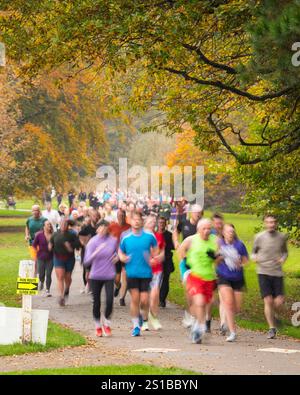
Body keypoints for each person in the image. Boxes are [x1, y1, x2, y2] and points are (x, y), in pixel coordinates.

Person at [179, 219, 222, 344]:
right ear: (198, 229)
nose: (207, 231)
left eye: (209, 228)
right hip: (195, 276)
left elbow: (219, 259)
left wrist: (215, 257)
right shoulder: (191, 240)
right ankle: (201, 327)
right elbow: (181, 250)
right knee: (199, 301)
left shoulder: (216, 240)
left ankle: (194, 324)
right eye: (204, 228)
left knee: (206, 304)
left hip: (209, 277)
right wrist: (185, 264)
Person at [118, 212, 159, 337]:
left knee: (145, 300)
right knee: (135, 299)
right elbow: (120, 252)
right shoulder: (126, 237)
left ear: (142, 222)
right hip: (132, 272)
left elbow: (156, 250)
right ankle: (136, 326)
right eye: (134, 219)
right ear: (131, 221)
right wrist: (123, 258)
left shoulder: (149, 236)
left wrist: (153, 258)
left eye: (138, 220)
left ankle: (141, 315)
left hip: (146, 272)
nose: (136, 222)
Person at [252, 214, 288, 339]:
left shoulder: (282, 237)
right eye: (268, 222)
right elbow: (253, 252)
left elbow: (285, 252)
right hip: (263, 271)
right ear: (265, 223)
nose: (271, 224)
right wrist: (254, 258)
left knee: (279, 302)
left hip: (277, 272)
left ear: (276, 223)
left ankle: (275, 316)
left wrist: (282, 259)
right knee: (268, 300)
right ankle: (272, 328)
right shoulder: (259, 237)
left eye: (273, 222)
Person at [83, 220, 118, 337]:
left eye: (105, 227)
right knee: (96, 302)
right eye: (101, 227)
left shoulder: (112, 241)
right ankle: (98, 326)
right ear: (97, 229)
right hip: (95, 275)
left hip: (109, 274)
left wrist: (116, 258)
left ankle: (106, 323)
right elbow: (86, 261)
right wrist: (96, 253)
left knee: (109, 301)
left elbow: (117, 254)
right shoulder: (92, 242)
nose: (103, 229)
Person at [173, 204, 203, 329]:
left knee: (198, 291)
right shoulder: (184, 222)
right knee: (189, 290)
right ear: (191, 213)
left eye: (200, 213)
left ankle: (194, 315)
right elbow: (176, 231)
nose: (198, 215)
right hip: (185, 262)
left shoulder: (202, 227)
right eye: (196, 212)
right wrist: (176, 242)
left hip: (199, 263)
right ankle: (191, 313)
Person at [217, 224, 249, 342]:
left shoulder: (239, 245)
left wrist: (240, 264)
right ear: (224, 233)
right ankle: (232, 332)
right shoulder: (219, 243)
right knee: (228, 304)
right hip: (224, 276)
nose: (230, 233)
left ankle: (229, 323)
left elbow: (246, 260)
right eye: (228, 231)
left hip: (238, 278)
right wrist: (218, 259)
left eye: (232, 231)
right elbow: (214, 259)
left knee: (236, 308)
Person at [49, 219, 81, 306]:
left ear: (68, 226)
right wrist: (50, 246)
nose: (63, 226)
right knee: (60, 277)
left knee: (68, 277)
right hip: (58, 258)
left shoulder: (72, 235)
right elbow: (51, 244)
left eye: (65, 224)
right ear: (59, 224)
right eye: (62, 224)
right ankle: (61, 296)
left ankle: (67, 289)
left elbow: (78, 245)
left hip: (69, 258)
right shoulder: (55, 234)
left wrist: (70, 246)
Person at [108, 209, 131, 304]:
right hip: (115, 254)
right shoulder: (112, 226)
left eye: (122, 215)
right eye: (119, 215)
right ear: (117, 217)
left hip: (126, 254)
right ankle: (118, 286)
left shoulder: (129, 227)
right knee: (117, 278)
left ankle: (122, 298)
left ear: (125, 216)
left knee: (125, 276)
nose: (121, 217)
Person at [78, 210, 101, 293]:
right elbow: (79, 235)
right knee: (36, 271)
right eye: (94, 216)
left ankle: (91, 286)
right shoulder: (86, 228)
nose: (96, 218)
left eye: (97, 216)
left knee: (45, 274)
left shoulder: (101, 228)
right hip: (36, 253)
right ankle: (34, 292)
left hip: (97, 254)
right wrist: (84, 243)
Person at [32, 220, 54, 296]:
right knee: (41, 274)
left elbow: (57, 245)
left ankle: (48, 290)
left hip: (50, 258)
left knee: (48, 274)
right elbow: (34, 245)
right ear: (44, 226)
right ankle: (41, 281)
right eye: (48, 224)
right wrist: (36, 254)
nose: (49, 226)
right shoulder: (39, 235)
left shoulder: (53, 235)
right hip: (40, 257)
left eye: (50, 225)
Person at [158, 217, 175, 308]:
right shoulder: (154, 234)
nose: (161, 224)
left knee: (165, 280)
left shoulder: (169, 235)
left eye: (163, 222)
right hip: (157, 260)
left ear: (165, 224)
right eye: (160, 222)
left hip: (167, 260)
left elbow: (173, 247)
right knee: (156, 280)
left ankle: (162, 299)